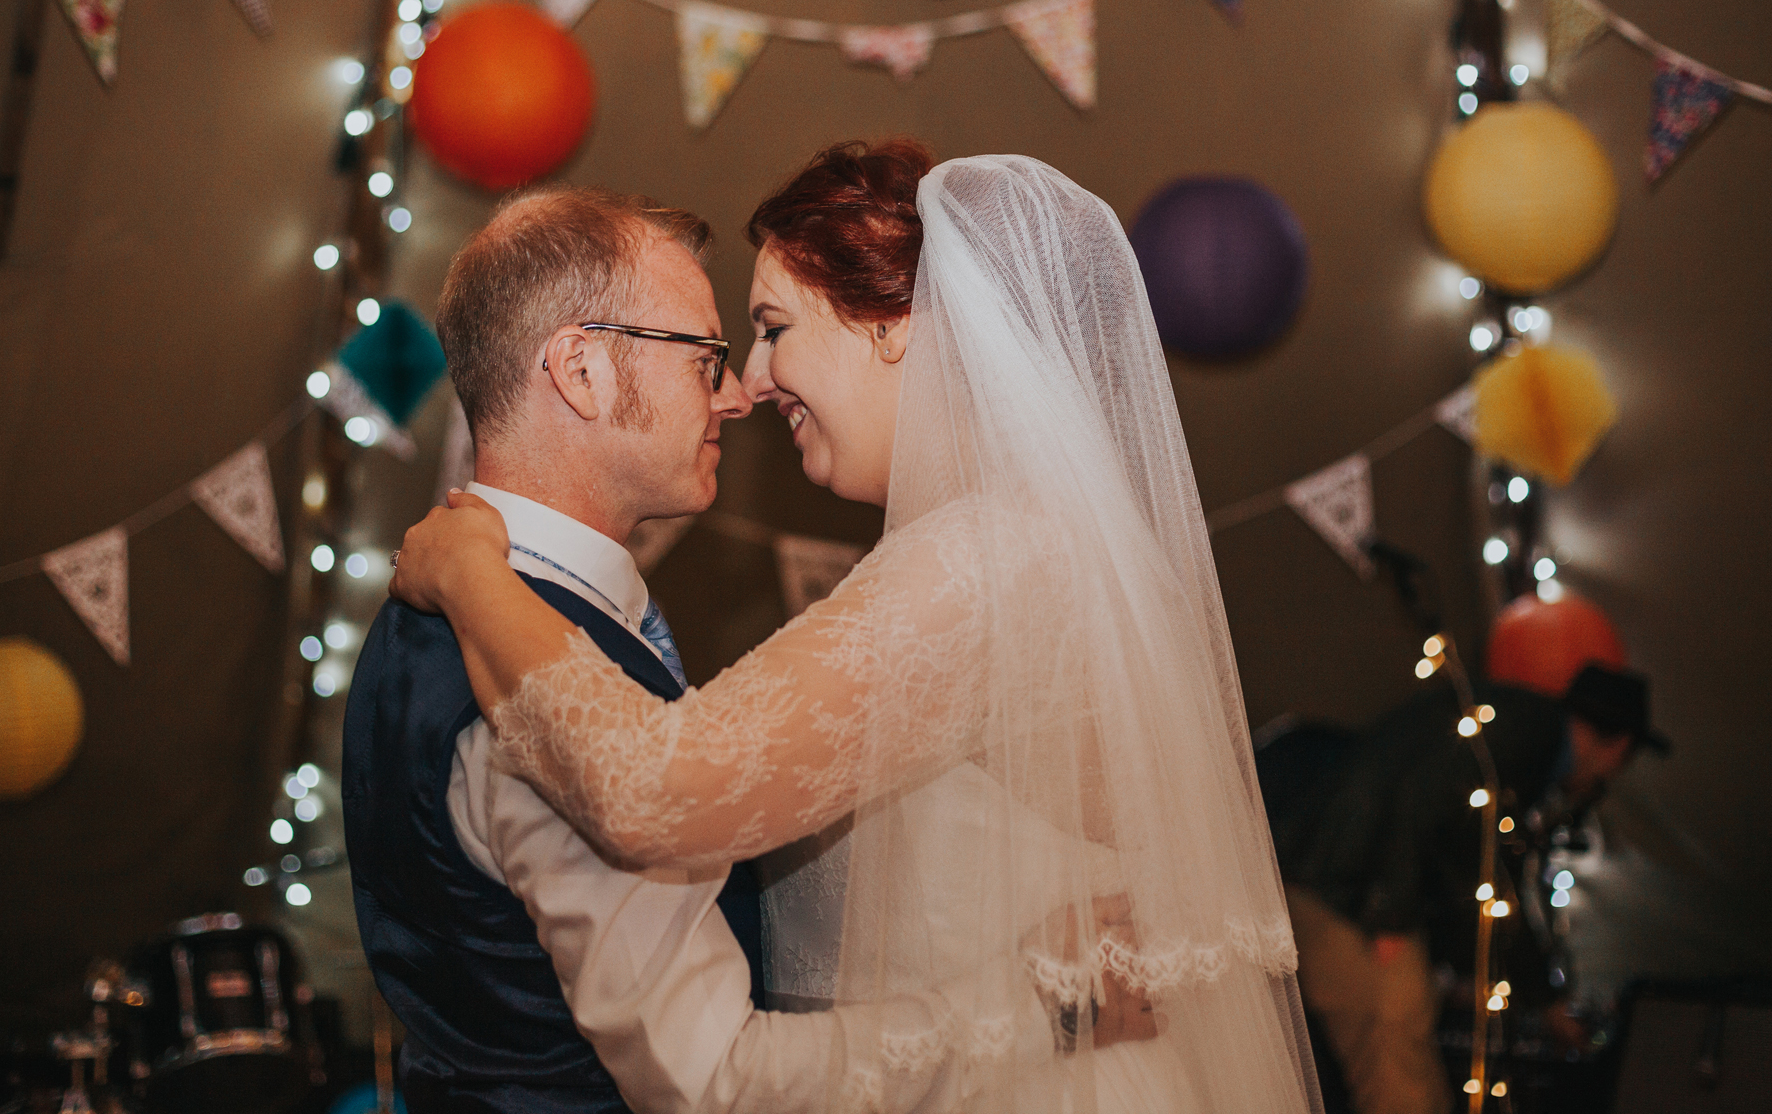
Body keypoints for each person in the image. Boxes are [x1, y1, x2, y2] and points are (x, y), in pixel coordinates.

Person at [391, 145, 1324, 1113]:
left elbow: (651, 792)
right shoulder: (998, 545)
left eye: (771, 328)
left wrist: (471, 573)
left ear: (890, 326)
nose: (749, 383)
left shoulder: (986, 558)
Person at [1260, 662, 1669, 1114]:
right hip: (1348, 900)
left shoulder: (1515, 722)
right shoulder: (1528, 736)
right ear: (1617, 746)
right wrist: (1390, 918)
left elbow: (1462, 848)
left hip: (1338, 886)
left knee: (1408, 1071)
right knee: (1398, 1063)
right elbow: (1438, 819)